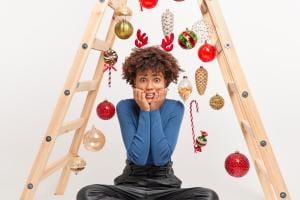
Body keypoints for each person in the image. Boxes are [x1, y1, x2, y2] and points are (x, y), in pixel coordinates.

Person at [77, 46, 219, 200]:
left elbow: (161, 158)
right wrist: (145, 111)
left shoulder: (175, 108)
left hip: (165, 187)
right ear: (134, 83)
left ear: (166, 83)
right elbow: (139, 157)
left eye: (156, 80)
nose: (150, 86)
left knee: (208, 196)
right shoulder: (124, 106)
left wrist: (154, 111)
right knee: (87, 194)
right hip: (130, 185)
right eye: (143, 79)